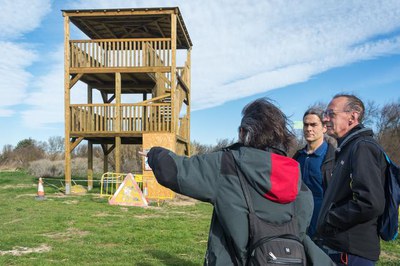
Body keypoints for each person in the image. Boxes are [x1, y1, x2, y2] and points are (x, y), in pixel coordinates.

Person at [140, 97, 333, 265]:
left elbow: (176, 171)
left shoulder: (226, 163)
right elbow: (306, 210)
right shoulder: (294, 170)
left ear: (243, 133)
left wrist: (155, 153)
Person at [316, 94, 387, 265]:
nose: (325, 119)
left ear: (352, 117)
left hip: (351, 253)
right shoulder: (347, 148)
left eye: (331, 114)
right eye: (326, 114)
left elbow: (371, 202)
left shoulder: (362, 147)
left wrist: (330, 218)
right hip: (342, 249)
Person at [293, 108, 336, 240]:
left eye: (313, 125)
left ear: (324, 128)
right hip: (298, 229)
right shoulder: (297, 158)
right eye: (306, 125)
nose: (309, 129)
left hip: (325, 231)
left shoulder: (334, 157)